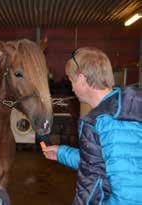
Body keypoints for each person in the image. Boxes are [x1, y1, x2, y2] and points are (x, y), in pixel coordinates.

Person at [42, 47, 142, 205]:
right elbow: (99, 164)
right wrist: (62, 153)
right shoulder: (114, 111)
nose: (72, 87)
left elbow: (129, 193)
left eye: (71, 81)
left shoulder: (111, 121)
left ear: (81, 79)